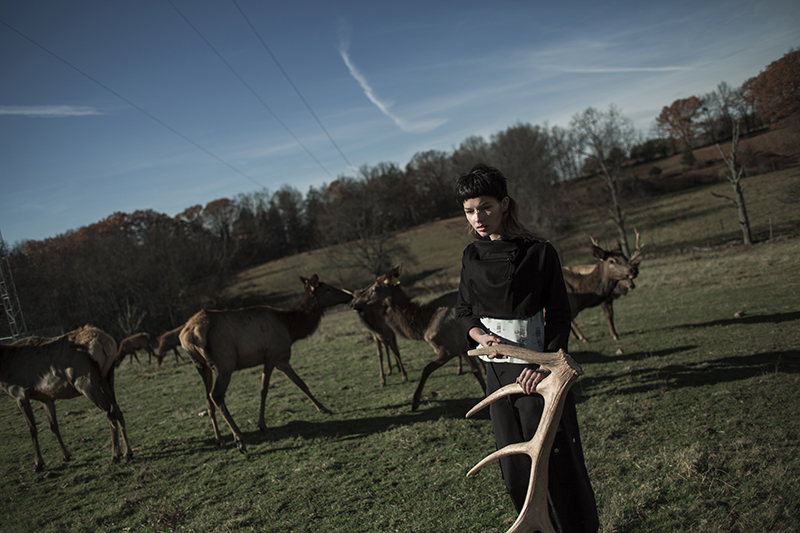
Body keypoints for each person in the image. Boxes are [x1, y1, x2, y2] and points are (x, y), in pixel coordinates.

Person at [455, 164, 598, 533]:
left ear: (504, 204)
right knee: (515, 464)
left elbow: (560, 313)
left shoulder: (539, 252)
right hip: (496, 375)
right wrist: (478, 335)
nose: (478, 218)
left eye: (485, 207)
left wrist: (546, 366)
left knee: (553, 460)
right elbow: (463, 311)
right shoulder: (471, 256)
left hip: (539, 374)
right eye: (470, 210)